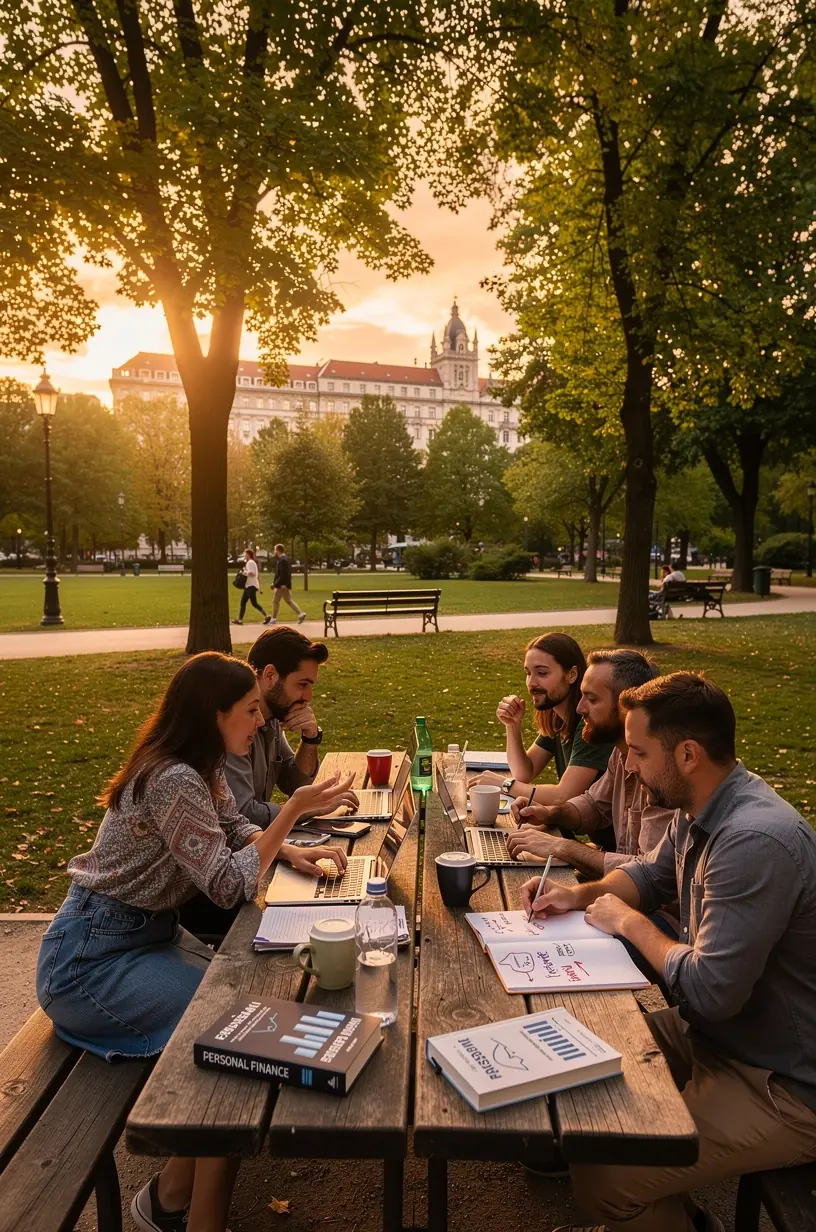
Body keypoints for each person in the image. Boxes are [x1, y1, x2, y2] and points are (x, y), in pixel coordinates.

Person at [35, 652, 353, 1232]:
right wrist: (295, 814)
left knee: (251, 1014)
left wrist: (290, 848)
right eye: (252, 710)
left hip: (147, 937)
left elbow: (234, 831)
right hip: (90, 960)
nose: (261, 722)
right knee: (239, 1033)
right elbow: (230, 883)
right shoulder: (175, 778)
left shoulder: (199, 766)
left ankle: (171, 1195)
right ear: (215, 714)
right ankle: (196, 1217)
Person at [522, 672, 816, 1232]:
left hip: (783, 1082)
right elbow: (652, 876)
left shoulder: (753, 841)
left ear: (687, 754)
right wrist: (576, 895)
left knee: (605, 1175)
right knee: (576, 1058)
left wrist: (630, 923)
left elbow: (711, 990)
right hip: (721, 1038)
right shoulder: (701, 803)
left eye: (637, 752)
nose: (627, 765)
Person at [180, 626, 357, 940]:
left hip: (209, 887)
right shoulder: (210, 751)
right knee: (309, 924)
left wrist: (311, 739)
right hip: (183, 906)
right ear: (271, 675)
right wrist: (300, 809)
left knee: (326, 914)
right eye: (302, 684)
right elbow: (229, 877)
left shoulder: (268, 721)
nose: (260, 720)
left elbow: (236, 822)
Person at [469, 632, 616, 806]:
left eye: (542, 673)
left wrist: (504, 784)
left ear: (572, 675)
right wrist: (512, 725)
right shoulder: (556, 718)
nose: (531, 683)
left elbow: (563, 795)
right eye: (528, 673)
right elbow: (525, 772)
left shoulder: (589, 723)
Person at [269, 542, 306, 624]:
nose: (274, 552)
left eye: (275, 550)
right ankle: (300, 614)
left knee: (275, 601)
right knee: (288, 600)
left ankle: (273, 619)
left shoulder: (282, 560)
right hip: (284, 584)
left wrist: (275, 584)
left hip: (282, 585)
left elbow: (283, 575)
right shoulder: (284, 559)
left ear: (278, 550)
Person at [232, 547, 269, 625]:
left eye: (245, 554)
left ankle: (267, 616)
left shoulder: (250, 562)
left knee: (253, 603)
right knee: (243, 602)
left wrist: (244, 573)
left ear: (248, 554)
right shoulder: (251, 562)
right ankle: (239, 620)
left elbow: (253, 573)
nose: (244, 555)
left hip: (251, 585)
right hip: (249, 585)